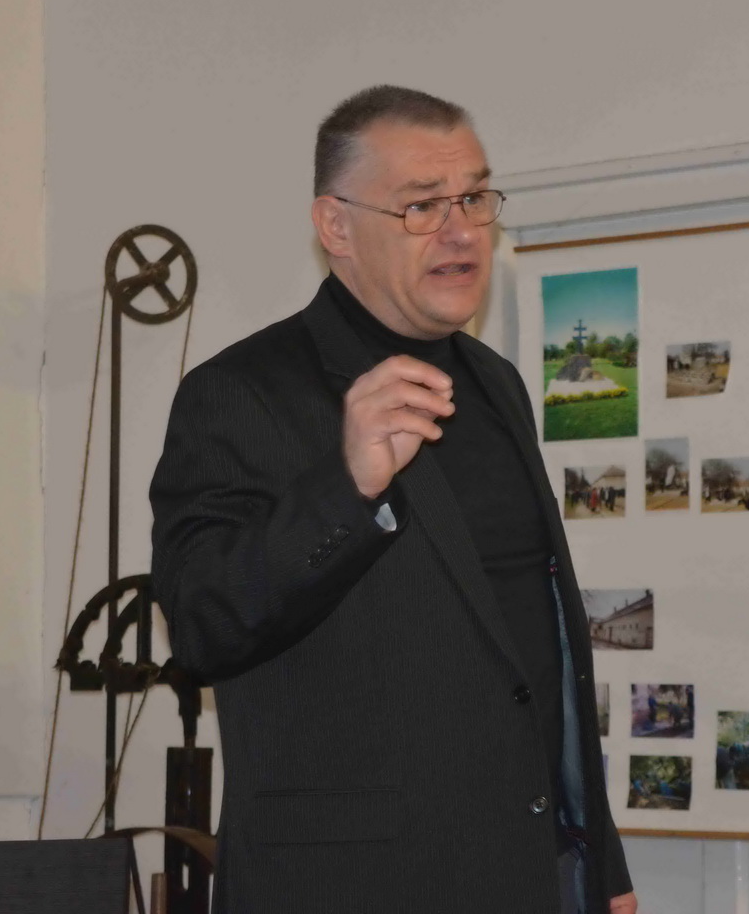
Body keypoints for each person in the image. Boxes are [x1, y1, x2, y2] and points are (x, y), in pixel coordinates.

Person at [151, 85, 635, 914]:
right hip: (352, 885)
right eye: (421, 206)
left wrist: (600, 862)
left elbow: (538, 648)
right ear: (336, 226)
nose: (461, 231)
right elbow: (202, 627)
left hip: (532, 873)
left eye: (474, 198)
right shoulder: (241, 392)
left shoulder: (497, 384)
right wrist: (345, 486)